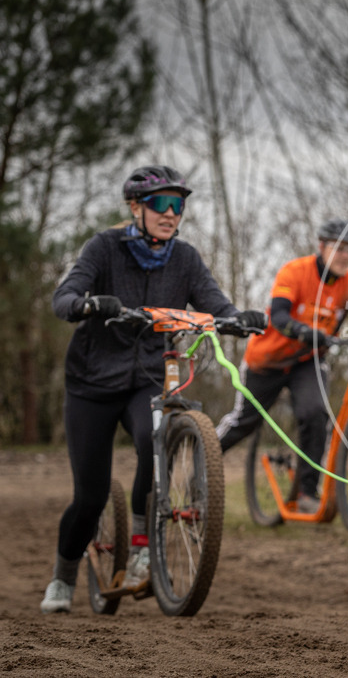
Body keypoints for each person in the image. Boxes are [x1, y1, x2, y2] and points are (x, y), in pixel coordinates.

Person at [41, 165, 266, 614]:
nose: (170, 213)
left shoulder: (184, 258)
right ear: (135, 208)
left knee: (154, 436)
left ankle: (144, 545)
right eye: (160, 204)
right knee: (89, 496)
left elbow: (211, 300)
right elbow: (63, 297)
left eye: (178, 204)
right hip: (91, 383)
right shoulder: (105, 248)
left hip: (145, 376)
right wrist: (85, 304)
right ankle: (63, 577)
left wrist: (237, 316)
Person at [216, 218, 348, 512]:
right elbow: (278, 317)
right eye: (339, 248)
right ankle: (201, 456)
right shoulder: (295, 272)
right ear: (322, 247)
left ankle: (307, 492)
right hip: (267, 360)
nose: (345, 255)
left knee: (316, 414)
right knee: (244, 422)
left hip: (308, 361)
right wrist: (303, 331)